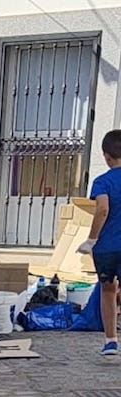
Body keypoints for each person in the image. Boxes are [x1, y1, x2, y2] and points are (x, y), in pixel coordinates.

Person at [80, 130, 121, 356]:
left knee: (108, 290)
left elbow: (102, 209)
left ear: (106, 156)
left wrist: (91, 239)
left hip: (106, 248)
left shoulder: (102, 181)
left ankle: (110, 341)